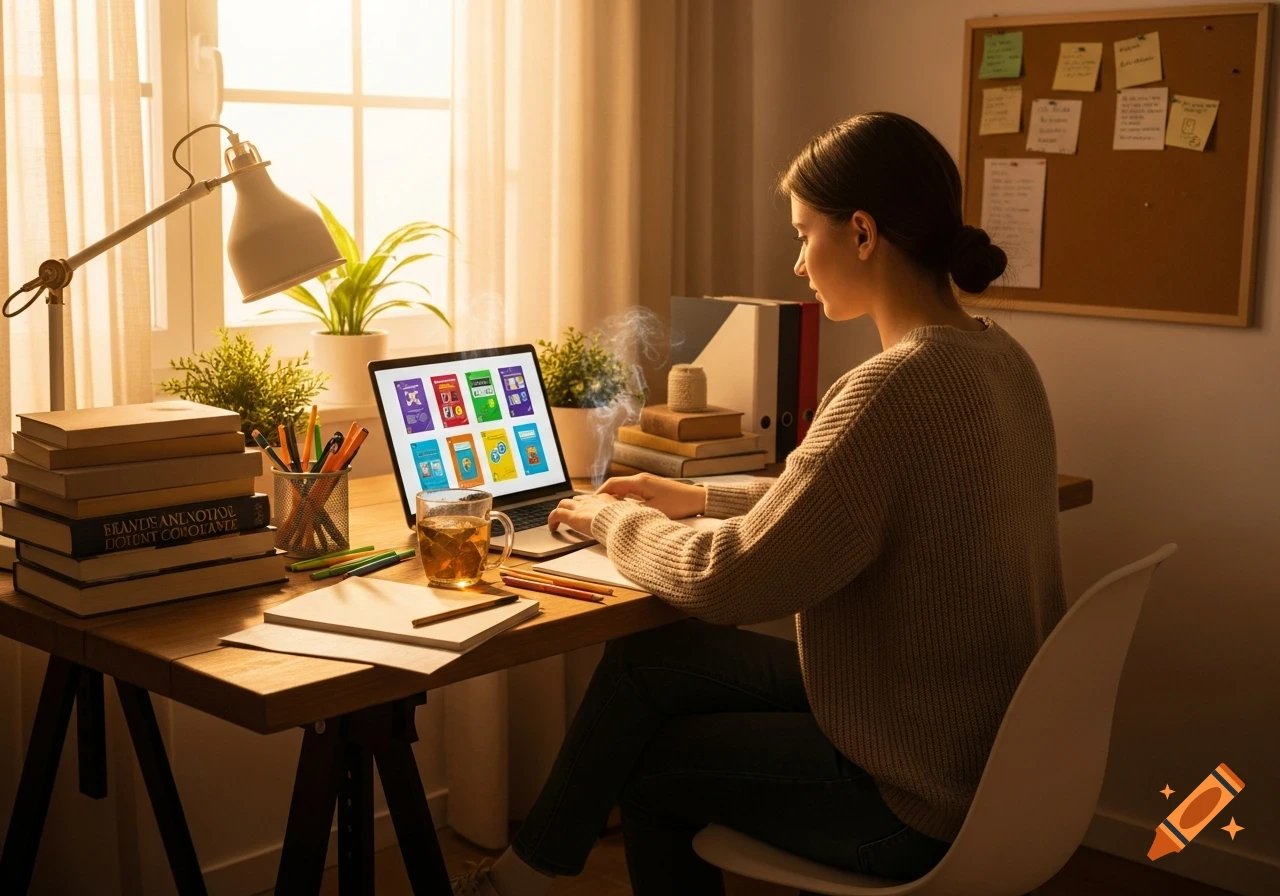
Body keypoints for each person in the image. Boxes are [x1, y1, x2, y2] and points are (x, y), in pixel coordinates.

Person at [451, 111, 1066, 896]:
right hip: (969, 738)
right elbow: (846, 497)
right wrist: (700, 494)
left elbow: (726, 579)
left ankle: (521, 880)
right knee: (648, 662)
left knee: (646, 766)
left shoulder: (890, 388)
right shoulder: (1000, 358)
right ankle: (526, 875)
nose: (799, 262)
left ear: (864, 234)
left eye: (805, 233)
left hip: (911, 789)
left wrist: (610, 518)